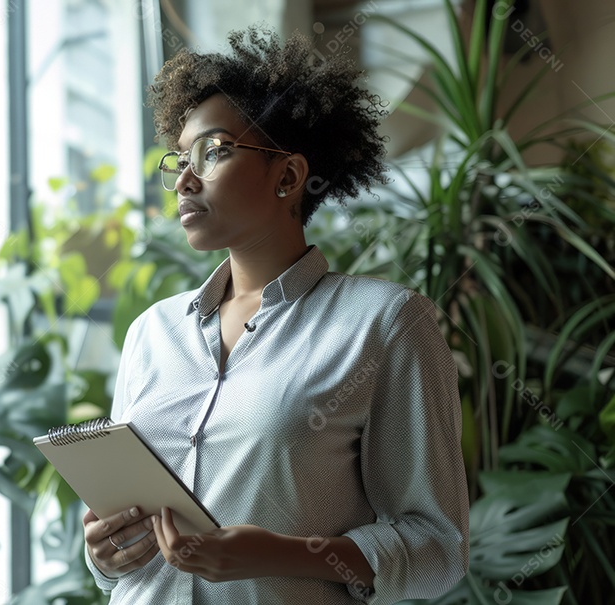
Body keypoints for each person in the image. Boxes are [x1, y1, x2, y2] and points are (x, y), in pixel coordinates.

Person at [80, 25, 470, 604]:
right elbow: (116, 552)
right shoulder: (151, 334)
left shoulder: (386, 324)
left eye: (212, 152)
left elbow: (439, 548)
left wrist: (283, 554)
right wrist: (104, 555)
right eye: (180, 158)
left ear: (287, 176)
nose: (184, 180)